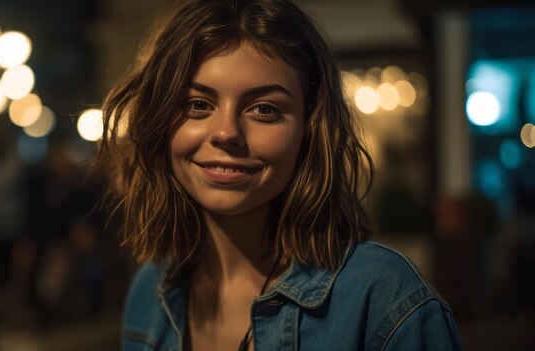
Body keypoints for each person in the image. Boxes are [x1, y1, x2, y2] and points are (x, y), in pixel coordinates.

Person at [97, 0, 462, 350]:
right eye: (197, 104)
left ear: (311, 129)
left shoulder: (383, 299)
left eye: (264, 109)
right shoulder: (151, 291)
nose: (225, 132)